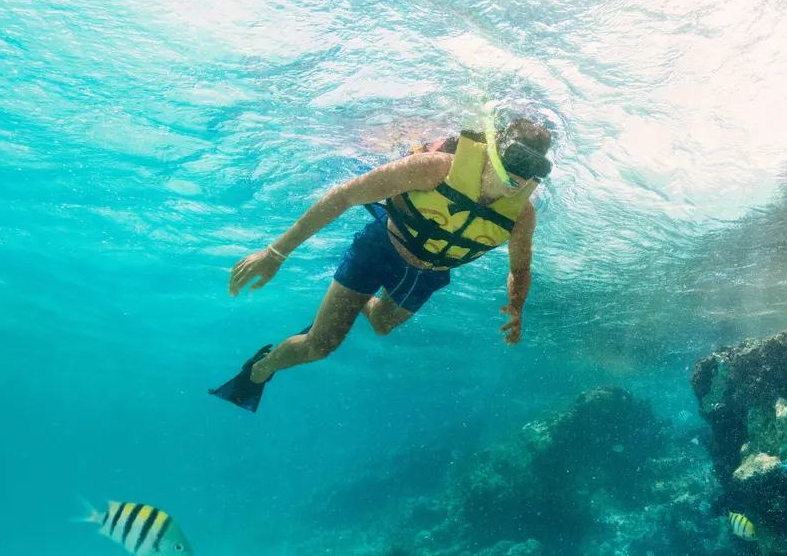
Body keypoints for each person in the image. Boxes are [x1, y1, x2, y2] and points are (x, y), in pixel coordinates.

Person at [210, 118, 553, 412]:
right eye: (514, 160)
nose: (518, 178)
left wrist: (517, 308)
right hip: (381, 250)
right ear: (492, 150)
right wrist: (276, 253)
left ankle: (353, 300)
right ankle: (259, 369)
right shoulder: (434, 168)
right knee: (321, 345)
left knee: (381, 324)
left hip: (427, 275)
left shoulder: (522, 215)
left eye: (532, 170)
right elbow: (344, 195)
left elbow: (520, 269)